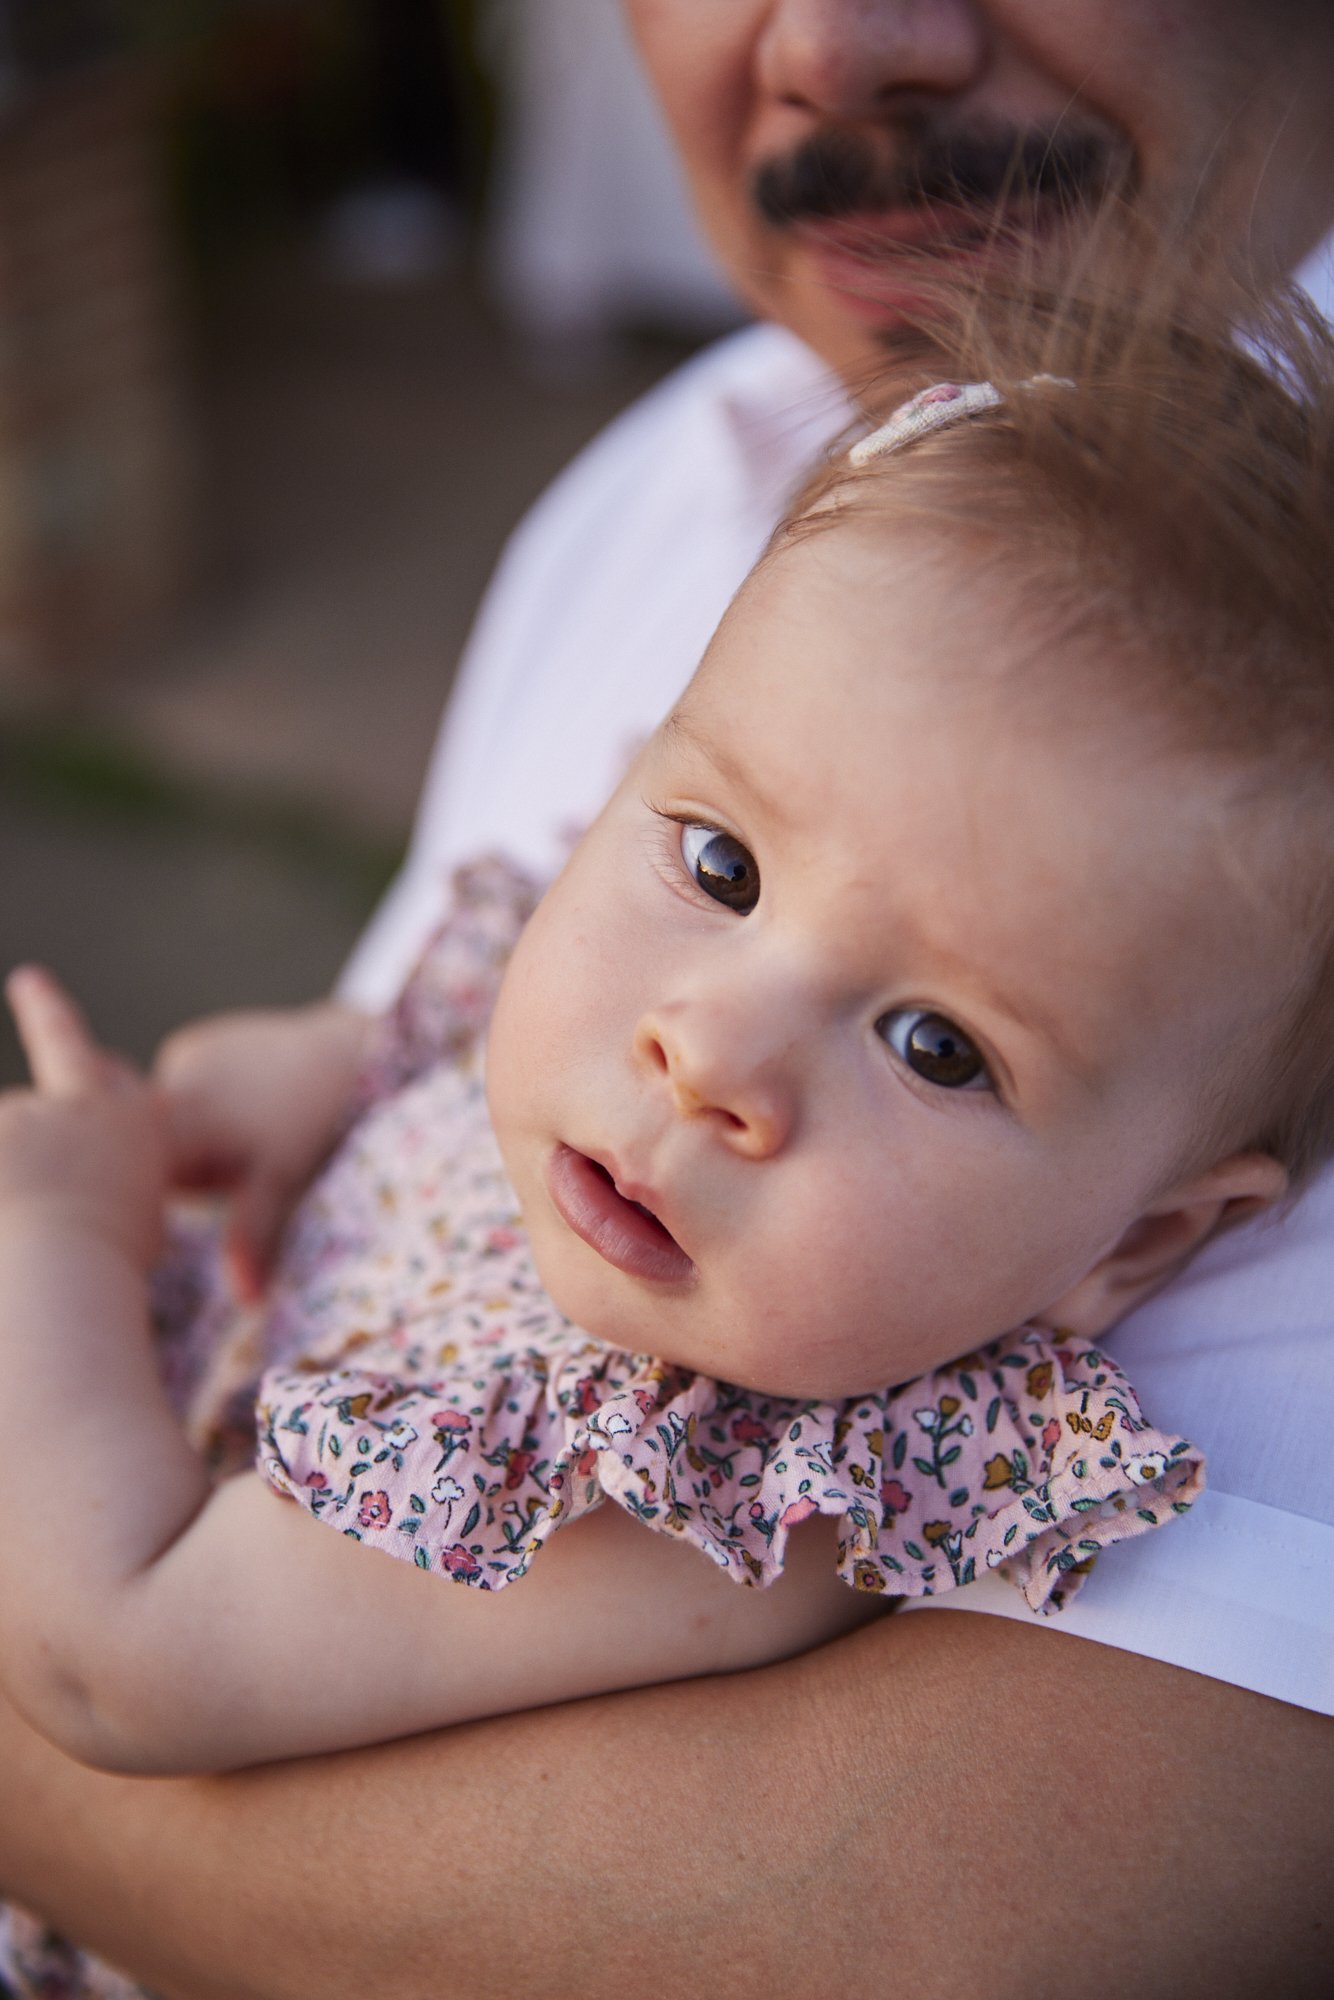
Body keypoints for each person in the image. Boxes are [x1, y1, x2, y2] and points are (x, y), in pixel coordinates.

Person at [0, 4, 1331, 1993]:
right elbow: (470, 1015)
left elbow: (114, 1651)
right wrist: (317, 1073)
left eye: (937, 1047)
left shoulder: (687, 1488)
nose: (706, 1051)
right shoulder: (688, 502)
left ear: (1135, 1236)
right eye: (712, 864)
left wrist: (50, 1223)